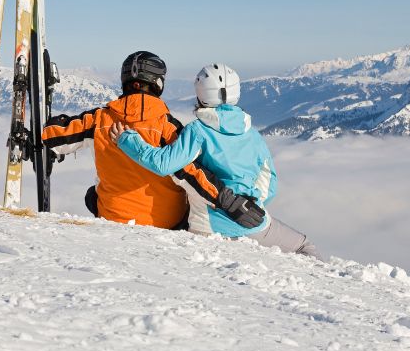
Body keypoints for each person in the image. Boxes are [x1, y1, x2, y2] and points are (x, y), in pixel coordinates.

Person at [110, 63, 323, 261]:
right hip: (251, 221)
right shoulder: (253, 135)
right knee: (304, 247)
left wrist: (127, 140)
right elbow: (270, 187)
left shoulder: (198, 130)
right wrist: (246, 207)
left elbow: (164, 164)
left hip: (209, 226)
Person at [41, 51, 219, 230]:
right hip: (167, 222)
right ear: (157, 83)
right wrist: (229, 200)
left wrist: (56, 123)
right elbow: (193, 173)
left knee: (92, 196)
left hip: (113, 217)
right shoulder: (169, 127)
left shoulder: (98, 119)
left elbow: (52, 137)